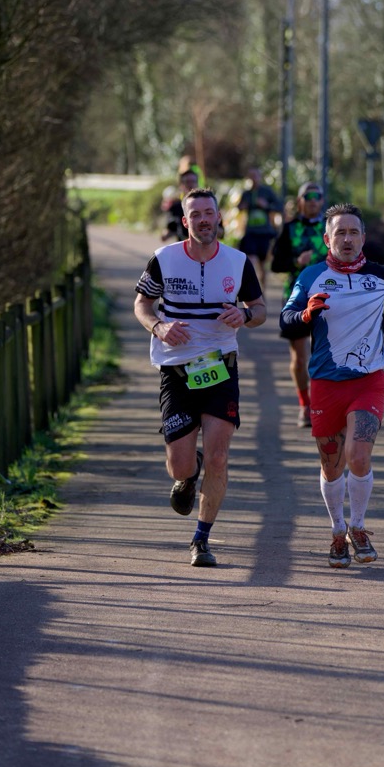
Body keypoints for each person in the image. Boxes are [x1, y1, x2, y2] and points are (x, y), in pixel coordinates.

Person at [134, 187, 266, 567]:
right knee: (179, 466)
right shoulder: (164, 259)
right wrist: (158, 327)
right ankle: (189, 471)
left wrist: (245, 315)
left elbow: (259, 309)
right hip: (176, 370)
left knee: (219, 457)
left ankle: (201, 539)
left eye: (209, 213)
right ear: (185, 220)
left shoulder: (237, 262)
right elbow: (142, 304)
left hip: (221, 367)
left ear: (219, 218)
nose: (204, 220)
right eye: (196, 215)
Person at [280, 203, 384, 568]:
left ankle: (358, 526)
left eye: (354, 232)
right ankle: (337, 531)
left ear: (363, 238)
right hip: (326, 382)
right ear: (327, 239)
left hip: (368, 380)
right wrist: (306, 313)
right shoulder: (311, 276)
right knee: (331, 465)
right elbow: (286, 319)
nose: (347, 239)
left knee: (358, 456)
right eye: (340, 232)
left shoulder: (380, 275)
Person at [270, 181, 328, 428]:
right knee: (299, 357)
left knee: (325, 354)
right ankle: (305, 404)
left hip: (328, 296)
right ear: (300, 201)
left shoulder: (332, 227)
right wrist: (296, 261)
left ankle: (322, 404)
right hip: (297, 297)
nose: (313, 200)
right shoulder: (290, 228)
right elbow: (276, 264)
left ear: (322, 201)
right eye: (308, 196)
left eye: (317, 196)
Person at [238, 166, 284, 291]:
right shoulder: (246, 193)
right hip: (250, 233)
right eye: (251, 176)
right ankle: (253, 290)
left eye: (255, 176)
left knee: (263, 265)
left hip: (264, 233)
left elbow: (279, 207)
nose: (253, 179)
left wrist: (266, 206)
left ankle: (262, 292)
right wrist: (242, 206)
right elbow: (239, 207)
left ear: (260, 177)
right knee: (251, 261)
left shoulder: (267, 192)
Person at [162, 167, 200, 241]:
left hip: (204, 247)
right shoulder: (175, 206)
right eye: (187, 182)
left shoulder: (208, 204)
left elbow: (221, 231)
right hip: (183, 246)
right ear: (181, 185)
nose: (191, 185)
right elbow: (170, 229)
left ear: (197, 183)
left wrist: (206, 230)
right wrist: (165, 235)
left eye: (193, 181)